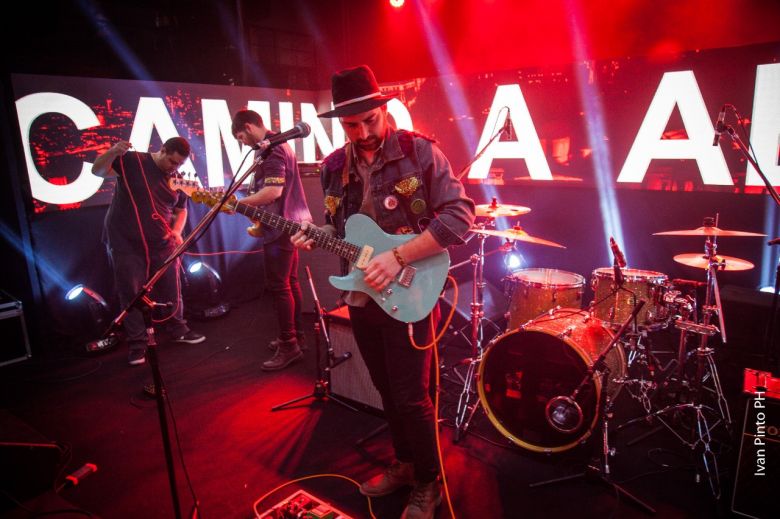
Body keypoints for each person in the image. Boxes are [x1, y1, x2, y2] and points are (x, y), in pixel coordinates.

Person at [291, 65, 475, 519]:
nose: (363, 132)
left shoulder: (420, 153)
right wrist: (317, 233)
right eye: (352, 125)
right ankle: (407, 465)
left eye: (370, 120)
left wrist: (399, 257)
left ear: (384, 109)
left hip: (410, 289)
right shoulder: (335, 165)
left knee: (412, 395)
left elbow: (459, 217)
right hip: (362, 295)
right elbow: (342, 226)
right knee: (385, 390)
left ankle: (429, 484)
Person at [92, 136, 205, 366]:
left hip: (161, 242)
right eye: (172, 162)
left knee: (171, 286)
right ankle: (137, 344)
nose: (175, 168)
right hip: (125, 241)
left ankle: (178, 329)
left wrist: (176, 230)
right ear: (162, 151)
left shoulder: (178, 178)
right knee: (132, 293)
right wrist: (113, 151)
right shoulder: (133, 161)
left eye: (180, 165)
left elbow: (181, 210)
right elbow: (98, 171)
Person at [231, 109, 312, 371]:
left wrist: (237, 203)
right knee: (289, 282)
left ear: (249, 127)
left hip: (281, 227)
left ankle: (289, 346)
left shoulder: (274, 149)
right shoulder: (272, 147)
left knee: (280, 286)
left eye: (240, 136)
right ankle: (296, 336)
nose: (242, 142)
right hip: (290, 223)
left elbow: (273, 191)